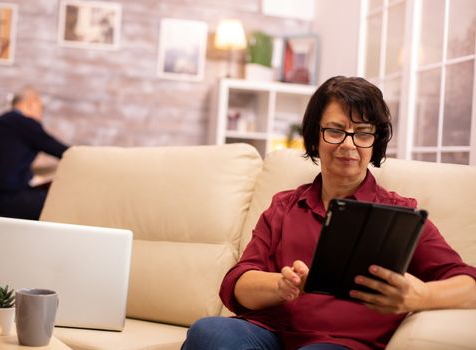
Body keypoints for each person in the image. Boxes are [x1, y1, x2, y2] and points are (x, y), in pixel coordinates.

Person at [182, 76, 476, 350]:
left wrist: (421, 296)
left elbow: (470, 285)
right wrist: (282, 286)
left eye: (362, 133)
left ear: (374, 144)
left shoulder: (399, 214)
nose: (348, 144)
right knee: (208, 332)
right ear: (314, 138)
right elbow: (238, 284)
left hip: (341, 343)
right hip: (267, 334)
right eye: (335, 131)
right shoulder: (284, 206)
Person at [0, 87, 69, 220]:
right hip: (10, 198)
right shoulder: (25, 124)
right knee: (63, 204)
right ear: (31, 103)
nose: (41, 113)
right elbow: (63, 151)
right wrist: (85, 155)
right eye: (41, 107)